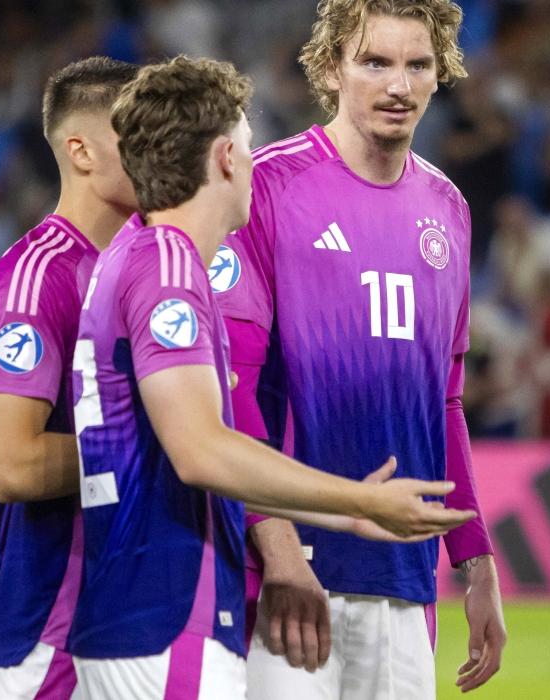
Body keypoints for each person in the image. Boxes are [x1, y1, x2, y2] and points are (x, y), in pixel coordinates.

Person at [68, 55, 474, 699]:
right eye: (250, 145)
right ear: (226, 158)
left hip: (137, 607)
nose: (259, 164)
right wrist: (358, 501)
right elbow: (204, 451)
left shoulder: (142, 255)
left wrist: (339, 515)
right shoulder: (168, 271)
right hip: (163, 615)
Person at [215, 1, 506, 696]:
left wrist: (476, 561)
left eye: (418, 65)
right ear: (330, 68)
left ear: (440, 75)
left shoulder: (449, 209)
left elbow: (444, 402)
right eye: (375, 62)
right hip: (289, 578)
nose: (398, 86)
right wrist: (279, 549)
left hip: (404, 579)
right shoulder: (268, 187)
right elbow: (232, 390)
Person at [0, 56, 141, 699]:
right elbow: (12, 464)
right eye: (138, 134)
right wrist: (161, 443)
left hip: (134, 628)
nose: (162, 151)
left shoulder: (149, 266)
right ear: (82, 151)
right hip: (55, 639)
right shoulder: (37, 278)